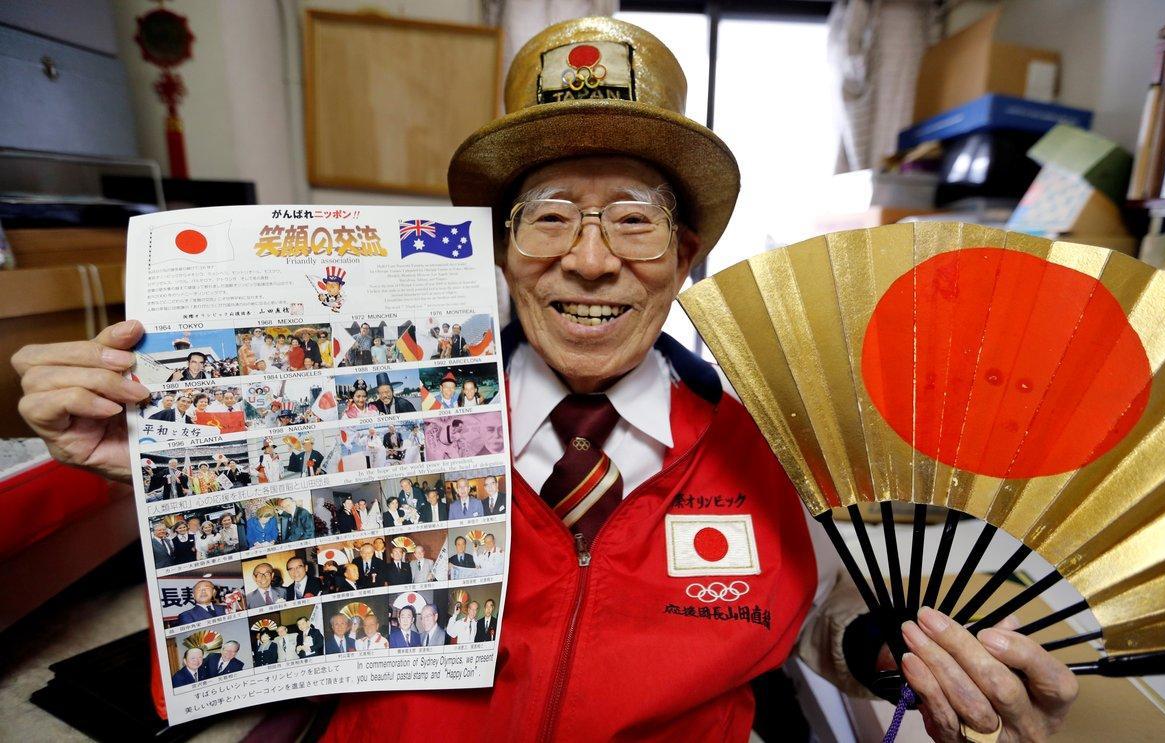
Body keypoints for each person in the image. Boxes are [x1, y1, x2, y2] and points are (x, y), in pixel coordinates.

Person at [15, 17, 1078, 741]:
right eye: (551, 215)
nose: (589, 258)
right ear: (501, 245)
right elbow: (253, 595)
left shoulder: (778, 436)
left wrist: (905, 654)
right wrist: (162, 469)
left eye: (632, 217)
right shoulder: (358, 407)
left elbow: (823, 618)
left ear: (687, 249)